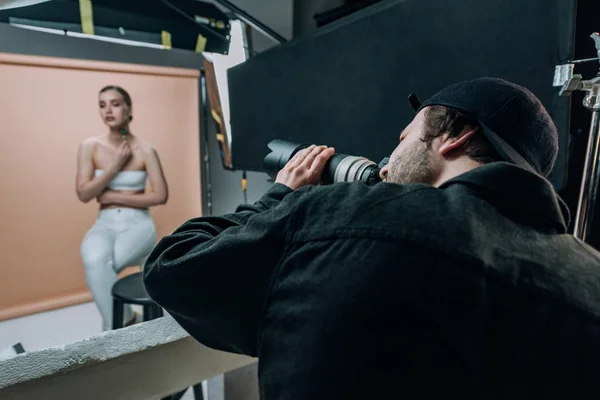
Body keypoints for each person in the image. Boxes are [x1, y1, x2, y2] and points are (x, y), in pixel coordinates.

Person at [143, 78, 600, 398]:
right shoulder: (589, 277)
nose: (387, 159)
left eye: (404, 137)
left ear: (455, 137)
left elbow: (174, 269)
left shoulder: (338, 219)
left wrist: (281, 196)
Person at [76, 85, 168, 331]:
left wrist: (111, 195)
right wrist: (114, 166)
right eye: (102, 104)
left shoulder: (146, 150)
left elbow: (160, 196)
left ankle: (113, 329)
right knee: (94, 260)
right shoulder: (89, 147)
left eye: (115, 104)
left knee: (100, 267)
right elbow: (84, 193)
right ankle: (127, 320)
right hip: (104, 223)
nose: (108, 110)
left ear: (129, 109)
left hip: (139, 224)